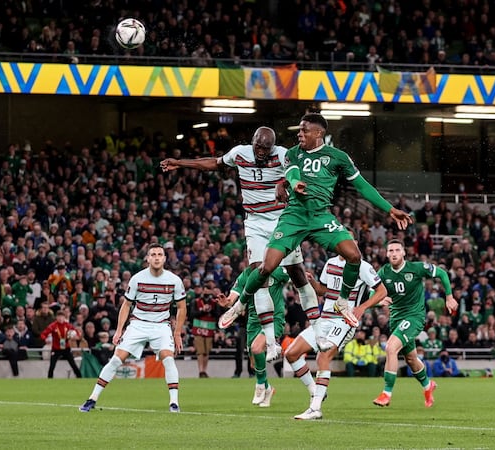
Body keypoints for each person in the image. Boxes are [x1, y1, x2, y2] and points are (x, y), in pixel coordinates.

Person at [228, 114, 411, 329]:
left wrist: (390, 209)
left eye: (304, 130)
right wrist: (294, 184)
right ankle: (239, 304)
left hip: (320, 216)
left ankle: (342, 301)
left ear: (319, 133)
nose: (299, 134)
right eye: (299, 130)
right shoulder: (293, 153)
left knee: (353, 255)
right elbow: (293, 173)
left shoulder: (338, 157)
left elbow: (362, 186)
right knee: (267, 267)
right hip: (294, 216)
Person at [161, 127, 316, 361]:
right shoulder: (240, 153)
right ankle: (272, 344)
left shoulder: (283, 155)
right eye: (258, 147)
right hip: (254, 221)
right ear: (252, 142)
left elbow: (299, 173)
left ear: (273, 146)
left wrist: (284, 181)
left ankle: (316, 326)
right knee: (258, 272)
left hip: (281, 220)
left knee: (297, 273)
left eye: (266, 148)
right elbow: (213, 163)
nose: (261, 152)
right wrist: (180, 163)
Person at [80, 243, 187, 413]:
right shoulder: (137, 278)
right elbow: (126, 305)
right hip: (138, 324)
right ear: (147, 258)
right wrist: (119, 330)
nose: (157, 257)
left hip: (161, 325)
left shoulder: (174, 280)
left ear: (165, 258)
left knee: (168, 359)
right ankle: (92, 398)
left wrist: (177, 333)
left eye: (160, 254)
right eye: (153, 254)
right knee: (116, 359)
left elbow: (182, 307)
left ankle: (174, 403)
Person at [287, 243, 387, 420]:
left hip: (344, 321)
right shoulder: (330, 263)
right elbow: (322, 290)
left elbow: (381, 291)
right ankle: (316, 391)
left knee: (322, 357)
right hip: (323, 319)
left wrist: (362, 307)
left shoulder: (363, 267)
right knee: (291, 353)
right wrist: (311, 282)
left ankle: (315, 408)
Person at [373, 240, 458, 408]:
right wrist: (379, 300)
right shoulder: (383, 273)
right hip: (396, 319)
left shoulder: (416, 268)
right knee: (411, 359)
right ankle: (428, 386)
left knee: (390, 348)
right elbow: (371, 290)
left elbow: (441, 273)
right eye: (391, 250)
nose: (394, 253)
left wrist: (449, 296)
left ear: (404, 253)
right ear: (387, 254)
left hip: (414, 317)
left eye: (398, 249)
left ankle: (386, 393)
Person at [217, 266, 291, 408]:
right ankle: (268, 389)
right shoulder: (245, 274)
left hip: (273, 317)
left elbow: (295, 278)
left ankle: (260, 386)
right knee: (254, 364)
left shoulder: (276, 270)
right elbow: (232, 298)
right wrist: (226, 302)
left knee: (256, 349)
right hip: (253, 321)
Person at [40, 310, 82, 378]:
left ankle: (80, 378)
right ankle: (49, 380)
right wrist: (45, 339)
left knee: (73, 364)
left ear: (64, 317)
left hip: (66, 348)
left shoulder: (67, 325)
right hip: (56, 349)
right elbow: (43, 334)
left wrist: (77, 336)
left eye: (62, 317)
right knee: (52, 366)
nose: (60, 318)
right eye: (59, 317)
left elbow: (77, 332)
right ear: (56, 317)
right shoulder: (53, 326)